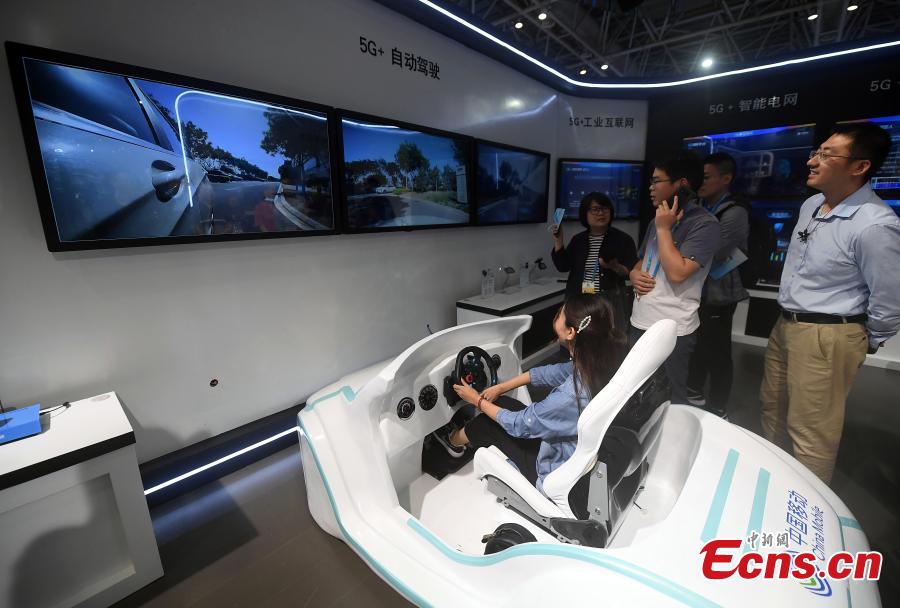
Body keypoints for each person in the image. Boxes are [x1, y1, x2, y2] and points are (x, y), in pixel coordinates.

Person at [759, 122, 900, 484]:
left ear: (859, 166)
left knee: (811, 433)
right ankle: (771, 490)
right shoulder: (811, 205)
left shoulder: (874, 225)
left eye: (826, 154)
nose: (812, 160)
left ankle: (807, 517)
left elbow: (890, 295)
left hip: (828, 333)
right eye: (816, 151)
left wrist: (865, 338)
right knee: (772, 413)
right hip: (786, 325)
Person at [431, 295, 627, 493]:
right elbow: (547, 374)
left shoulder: (569, 396)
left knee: (483, 425)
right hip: (574, 451)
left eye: (560, 313)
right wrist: (500, 388)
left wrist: (476, 400)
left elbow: (519, 425)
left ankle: (451, 444)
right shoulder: (598, 365)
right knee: (504, 402)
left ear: (570, 332)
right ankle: (460, 436)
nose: (557, 315)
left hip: (552, 469)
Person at [628, 151, 721, 405]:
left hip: (672, 328)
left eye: (657, 180)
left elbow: (678, 272)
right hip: (640, 320)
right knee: (637, 391)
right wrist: (633, 274)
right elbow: (642, 261)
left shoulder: (705, 224)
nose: (651, 187)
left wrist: (663, 228)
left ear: (681, 183)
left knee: (669, 397)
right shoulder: (657, 220)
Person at [686, 153, 749, 417]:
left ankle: (719, 404)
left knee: (718, 349)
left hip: (719, 294)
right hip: (698, 292)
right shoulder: (701, 207)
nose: (702, 181)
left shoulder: (735, 213)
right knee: (699, 344)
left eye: (708, 176)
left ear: (726, 179)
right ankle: (694, 391)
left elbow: (715, 250)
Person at [550, 192, 638, 329]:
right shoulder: (578, 240)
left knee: (609, 344)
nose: (601, 213)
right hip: (580, 303)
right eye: (595, 209)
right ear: (585, 213)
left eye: (605, 209)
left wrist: (615, 267)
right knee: (579, 342)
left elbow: (631, 271)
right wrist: (558, 242)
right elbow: (563, 266)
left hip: (609, 304)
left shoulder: (623, 239)